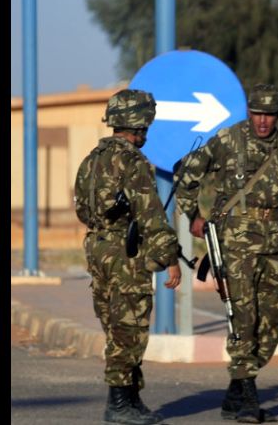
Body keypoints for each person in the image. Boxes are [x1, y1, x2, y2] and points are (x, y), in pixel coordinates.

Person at [174, 84, 278, 423]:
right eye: (257, 113)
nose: (262, 121)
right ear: (249, 112)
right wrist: (192, 214)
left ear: (277, 116)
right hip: (236, 242)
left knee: (272, 321)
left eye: (269, 115)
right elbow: (189, 173)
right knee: (242, 316)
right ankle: (248, 398)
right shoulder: (228, 140)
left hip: (274, 241)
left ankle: (234, 394)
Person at [74, 89, 182, 425]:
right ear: (140, 123)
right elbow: (151, 217)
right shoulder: (134, 163)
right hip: (124, 253)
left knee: (114, 326)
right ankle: (119, 405)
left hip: (97, 249)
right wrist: (171, 259)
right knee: (129, 328)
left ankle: (131, 400)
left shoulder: (91, 159)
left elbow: (81, 208)